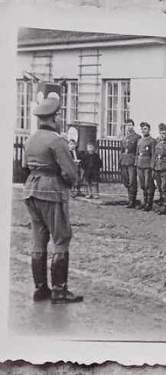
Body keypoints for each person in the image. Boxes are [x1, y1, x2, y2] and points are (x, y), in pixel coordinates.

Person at [23, 89, 83, 303]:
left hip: (31, 190)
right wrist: (70, 179)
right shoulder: (57, 141)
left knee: (38, 241)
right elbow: (70, 174)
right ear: (52, 118)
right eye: (57, 116)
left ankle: (40, 289)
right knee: (61, 238)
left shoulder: (30, 139)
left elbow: (24, 167)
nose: (58, 119)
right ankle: (59, 289)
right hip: (52, 191)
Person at [120, 119, 141, 208]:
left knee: (132, 181)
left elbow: (138, 151)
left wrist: (136, 162)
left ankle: (132, 201)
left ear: (133, 126)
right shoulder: (124, 137)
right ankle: (130, 199)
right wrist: (120, 161)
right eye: (127, 125)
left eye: (130, 125)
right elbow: (121, 151)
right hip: (124, 161)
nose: (129, 126)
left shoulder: (137, 137)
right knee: (126, 181)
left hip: (132, 161)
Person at [136, 122, 156, 211]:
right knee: (143, 185)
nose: (143, 131)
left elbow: (153, 154)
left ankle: (149, 203)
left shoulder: (152, 141)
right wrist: (136, 163)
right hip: (140, 165)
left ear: (149, 130)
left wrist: (152, 166)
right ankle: (144, 202)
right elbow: (137, 153)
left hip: (148, 165)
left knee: (149, 184)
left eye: (145, 129)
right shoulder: (140, 140)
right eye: (142, 129)